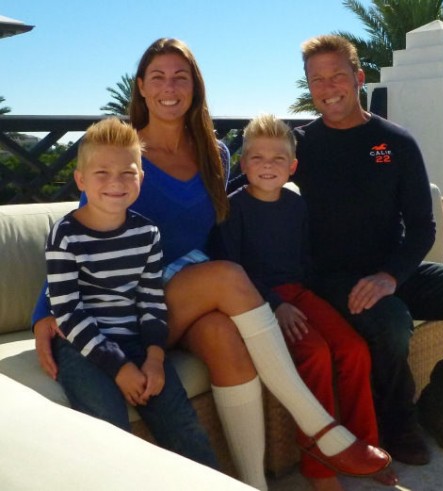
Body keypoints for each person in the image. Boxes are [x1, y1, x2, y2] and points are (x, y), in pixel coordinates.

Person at [32, 38, 390, 491]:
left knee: (225, 339)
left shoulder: (214, 153)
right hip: (139, 297)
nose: (169, 87)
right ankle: (323, 430)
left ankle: (251, 483)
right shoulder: (125, 158)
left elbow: (253, 191)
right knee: (227, 275)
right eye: (158, 77)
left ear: (195, 87)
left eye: (180, 77)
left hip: (186, 297)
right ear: (141, 86)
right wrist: (44, 311)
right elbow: (85, 229)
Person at [291, 34, 443, 466]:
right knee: (392, 324)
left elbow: (421, 226)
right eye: (316, 79)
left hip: (393, 270)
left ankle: (440, 407)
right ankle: (397, 424)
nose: (328, 87)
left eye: (337, 75)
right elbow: (248, 183)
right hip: (331, 278)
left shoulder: (395, 141)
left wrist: (391, 276)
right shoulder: (299, 145)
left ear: (359, 78)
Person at [211, 114, 397, 491]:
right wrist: (274, 303)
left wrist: (319, 302)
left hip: (300, 294)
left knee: (354, 350)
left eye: (278, 158)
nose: (267, 165)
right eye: (257, 157)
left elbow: (305, 261)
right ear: (243, 163)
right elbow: (231, 270)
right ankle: (319, 467)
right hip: (257, 302)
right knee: (314, 354)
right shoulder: (232, 209)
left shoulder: (296, 206)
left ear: (292, 167)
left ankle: (364, 445)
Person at [43, 117, 218, 468]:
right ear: (81, 180)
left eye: (128, 172)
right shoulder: (65, 235)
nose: (116, 182)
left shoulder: (147, 234)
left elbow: (151, 300)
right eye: (102, 173)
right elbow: (68, 312)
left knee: (184, 427)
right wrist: (120, 368)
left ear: (141, 177)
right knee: (110, 433)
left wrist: (154, 357)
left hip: (137, 341)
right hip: (81, 346)